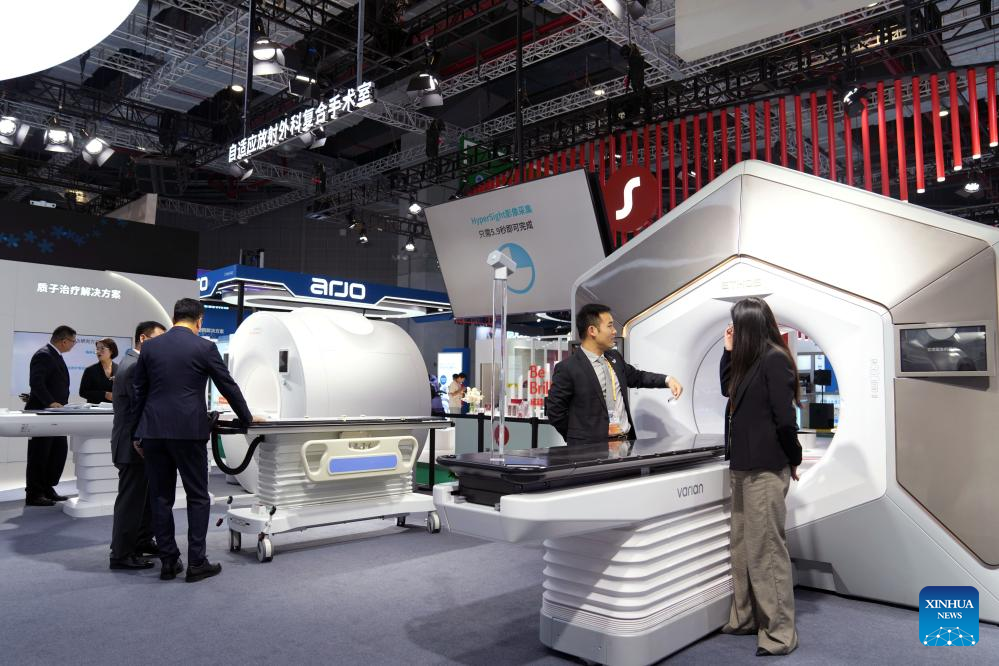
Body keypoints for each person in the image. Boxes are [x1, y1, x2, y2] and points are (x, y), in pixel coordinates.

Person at [129, 299, 255, 583]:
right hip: (189, 432)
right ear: (199, 320)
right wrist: (246, 418)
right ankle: (197, 562)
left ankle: (168, 562)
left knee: (160, 498)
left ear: (174, 317)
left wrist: (136, 433)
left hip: (153, 431)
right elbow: (227, 385)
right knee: (197, 496)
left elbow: (139, 392)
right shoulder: (204, 347)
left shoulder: (150, 347)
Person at [719, 297, 802, 656]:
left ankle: (780, 633)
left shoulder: (774, 359)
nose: (733, 331)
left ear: (750, 326)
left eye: (736, 326)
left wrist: (794, 458)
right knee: (742, 546)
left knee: (766, 549)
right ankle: (745, 618)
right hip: (742, 465)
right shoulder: (746, 359)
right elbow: (728, 390)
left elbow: (785, 420)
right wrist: (727, 352)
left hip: (766, 468)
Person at [545, 303, 683, 444]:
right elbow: (555, 411)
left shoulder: (614, 357)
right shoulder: (568, 368)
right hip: (590, 449)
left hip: (625, 443)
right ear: (592, 330)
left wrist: (667, 380)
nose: (614, 331)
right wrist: (578, 437)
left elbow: (637, 377)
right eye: (610, 326)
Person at [108, 321, 166, 571]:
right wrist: (140, 440)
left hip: (138, 443)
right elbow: (137, 410)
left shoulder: (134, 363)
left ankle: (141, 541)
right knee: (130, 502)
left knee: (143, 499)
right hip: (132, 444)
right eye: (158, 339)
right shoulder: (133, 366)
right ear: (143, 338)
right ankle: (121, 554)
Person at [24, 325, 77, 506]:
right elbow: (36, 383)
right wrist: (50, 402)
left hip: (56, 415)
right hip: (43, 414)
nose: (74, 344)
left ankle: (47, 488)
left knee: (57, 453)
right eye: (73, 341)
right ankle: (34, 493)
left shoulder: (56, 355)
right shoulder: (44, 355)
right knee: (40, 454)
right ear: (64, 341)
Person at [79, 338, 119, 404]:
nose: (98, 351)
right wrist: (104, 394)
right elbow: (83, 392)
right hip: (95, 409)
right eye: (97, 349)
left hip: (115, 408)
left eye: (102, 348)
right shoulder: (90, 370)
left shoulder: (119, 369)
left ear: (111, 351)